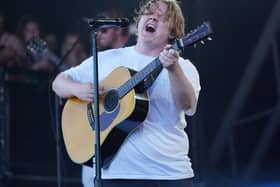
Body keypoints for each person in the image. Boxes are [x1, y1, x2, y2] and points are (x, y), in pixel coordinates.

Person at [52, 0, 201, 187]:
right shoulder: (107, 59)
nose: (153, 17)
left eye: (162, 17)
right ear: (138, 22)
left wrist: (173, 69)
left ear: (173, 32)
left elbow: (188, 106)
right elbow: (58, 83)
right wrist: (78, 89)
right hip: (116, 174)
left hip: (170, 173)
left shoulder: (185, 68)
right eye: (149, 13)